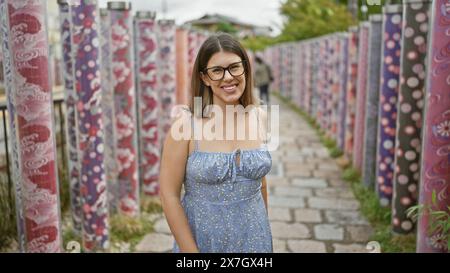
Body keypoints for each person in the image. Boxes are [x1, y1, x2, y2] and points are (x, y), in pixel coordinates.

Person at [159, 33, 273, 253]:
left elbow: (262, 184)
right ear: (204, 78)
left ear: (246, 69)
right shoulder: (185, 125)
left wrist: (263, 235)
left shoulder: (260, 117)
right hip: (204, 242)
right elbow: (169, 196)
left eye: (234, 67)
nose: (228, 77)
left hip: (255, 241)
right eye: (217, 71)